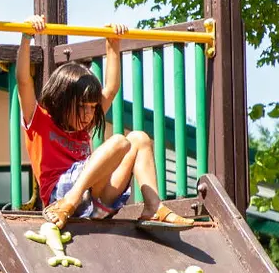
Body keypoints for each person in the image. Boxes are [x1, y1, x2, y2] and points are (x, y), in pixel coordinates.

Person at [15, 17, 193, 229]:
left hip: (96, 203)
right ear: (61, 100)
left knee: (139, 138)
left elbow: (111, 87)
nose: (89, 114)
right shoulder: (41, 122)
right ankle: (69, 202)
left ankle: (153, 207)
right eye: (82, 106)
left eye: (92, 107)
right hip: (60, 195)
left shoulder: (84, 125)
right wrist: (26, 36)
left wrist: (113, 42)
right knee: (119, 141)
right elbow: (23, 80)